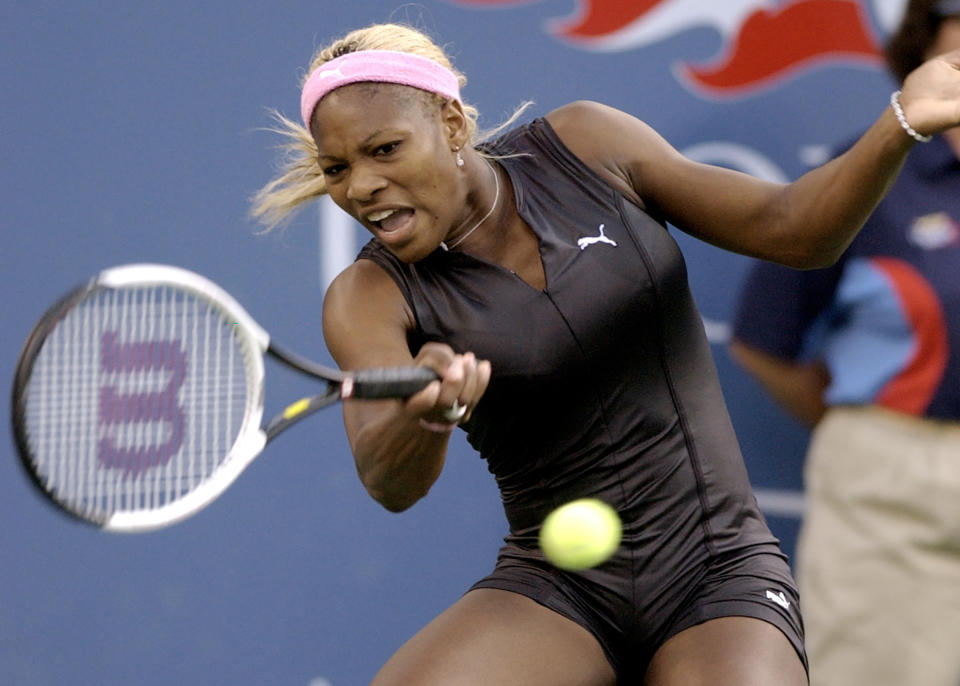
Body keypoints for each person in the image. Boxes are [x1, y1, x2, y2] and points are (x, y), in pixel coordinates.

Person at [252, 20, 960, 686]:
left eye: (385, 150)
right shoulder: (368, 295)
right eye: (338, 168)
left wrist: (898, 124)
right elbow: (389, 477)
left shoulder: (586, 145)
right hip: (556, 587)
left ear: (451, 122)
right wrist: (425, 414)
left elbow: (795, 230)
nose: (362, 186)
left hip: (718, 566)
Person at [729, 2, 960, 685]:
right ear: (925, 45)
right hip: (894, 488)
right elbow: (764, 335)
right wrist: (869, 434)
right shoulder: (872, 165)